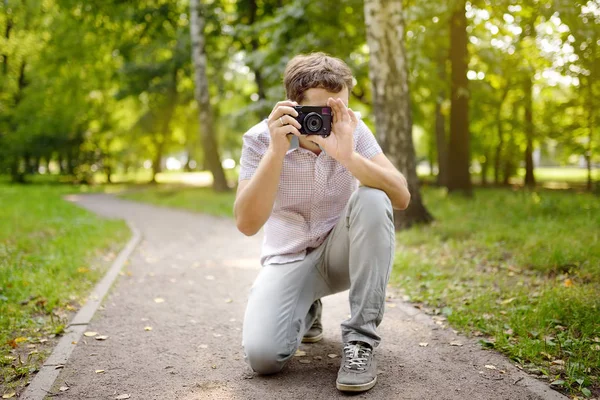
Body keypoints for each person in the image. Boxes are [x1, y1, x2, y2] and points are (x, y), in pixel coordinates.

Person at [234, 52, 410, 393]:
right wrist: (275, 152)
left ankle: (361, 341)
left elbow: (400, 196)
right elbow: (246, 223)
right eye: (319, 112)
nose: (330, 120)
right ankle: (306, 307)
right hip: (289, 258)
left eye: (338, 107)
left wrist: (348, 156)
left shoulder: (351, 128)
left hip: (340, 253)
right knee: (263, 358)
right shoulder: (260, 139)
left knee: (373, 197)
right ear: (292, 107)